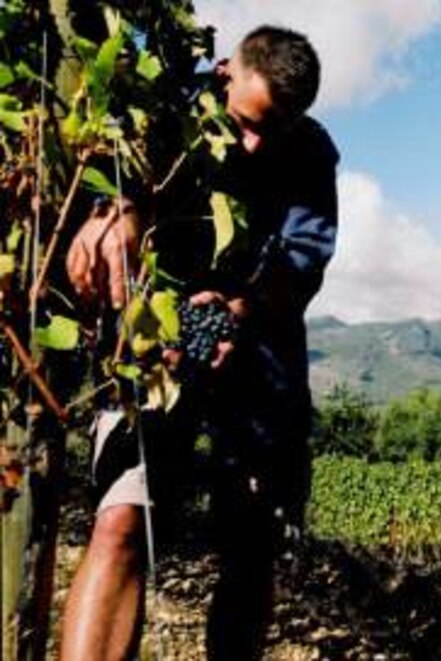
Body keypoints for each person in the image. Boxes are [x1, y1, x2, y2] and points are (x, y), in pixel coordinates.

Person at [59, 26, 339, 660]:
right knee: (120, 521)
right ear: (222, 76)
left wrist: (240, 306)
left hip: (259, 359)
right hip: (151, 346)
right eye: (247, 123)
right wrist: (121, 210)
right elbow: (109, 181)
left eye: (277, 130)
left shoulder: (313, 151)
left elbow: (301, 262)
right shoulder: (166, 111)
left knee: (249, 544)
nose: (255, 143)